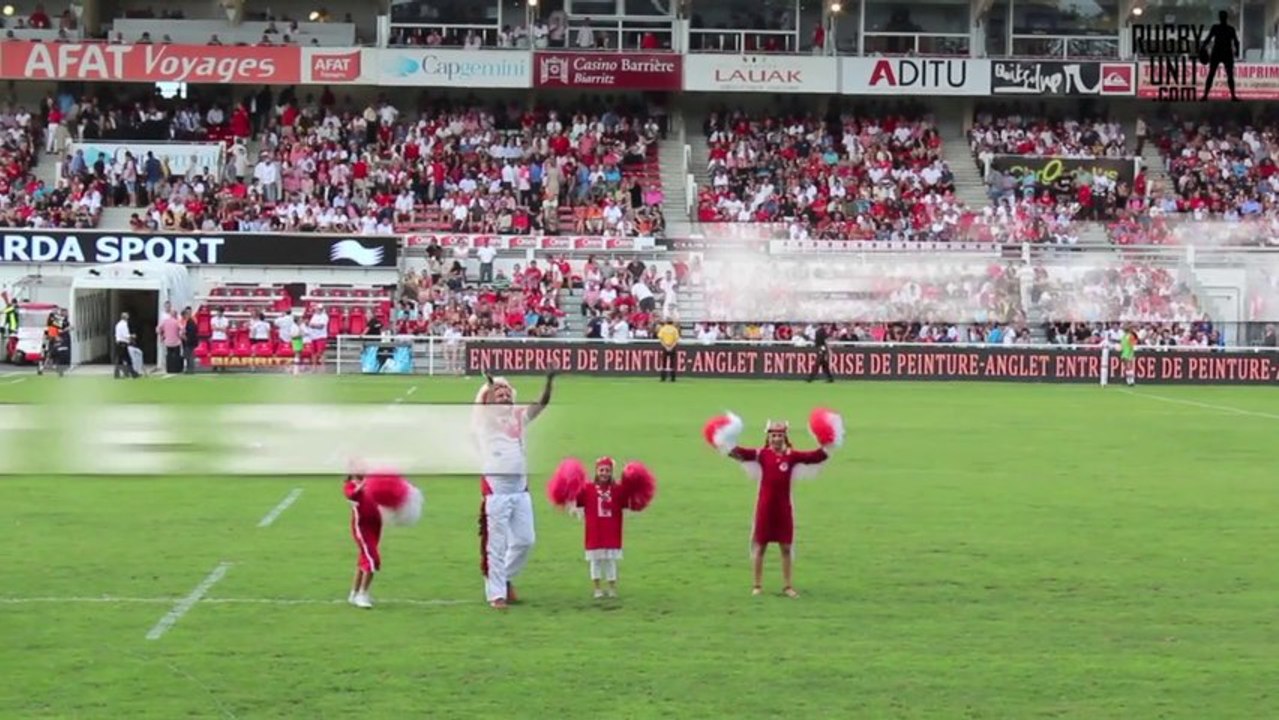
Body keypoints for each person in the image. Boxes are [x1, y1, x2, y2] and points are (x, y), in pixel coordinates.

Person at [475, 366, 557, 610]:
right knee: (496, 544)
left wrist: (549, 381)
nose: (504, 394)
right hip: (496, 492)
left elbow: (541, 404)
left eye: (507, 391)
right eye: (499, 393)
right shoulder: (485, 420)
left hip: (520, 490)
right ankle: (496, 594)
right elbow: (485, 405)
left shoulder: (519, 415)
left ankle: (502, 577)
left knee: (525, 541)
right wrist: (491, 385)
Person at [726, 420, 830, 598]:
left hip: (783, 508)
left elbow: (814, 457)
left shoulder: (792, 456)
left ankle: (787, 586)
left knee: (786, 548)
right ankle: (757, 585)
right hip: (765, 507)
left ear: (785, 437)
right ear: (768, 437)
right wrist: (723, 439)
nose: (776, 439)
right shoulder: (762, 455)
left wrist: (828, 441)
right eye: (773, 435)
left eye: (780, 435)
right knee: (760, 547)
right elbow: (738, 453)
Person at [344, 470, 382, 609]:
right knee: (373, 560)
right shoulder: (349, 485)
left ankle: (353, 594)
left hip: (375, 527)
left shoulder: (370, 483)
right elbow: (352, 495)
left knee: (364, 560)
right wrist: (364, 484)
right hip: (362, 528)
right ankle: (362, 594)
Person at [1201, 10, 1240, 102]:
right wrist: (1237, 51)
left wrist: (1202, 47)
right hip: (1224, 53)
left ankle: (1206, 95)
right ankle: (1233, 96)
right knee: (1227, 75)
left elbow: (1208, 39)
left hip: (1219, 52)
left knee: (1213, 74)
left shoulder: (1217, 28)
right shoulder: (1230, 29)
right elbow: (1236, 42)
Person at [114, 312, 138, 379]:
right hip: (123, 344)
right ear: (126, 318)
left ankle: (117, 374)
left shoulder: (118, 324)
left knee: (120, 360)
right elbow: (125, 335)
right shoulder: (124, 325)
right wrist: (132, 336)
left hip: (119, 343)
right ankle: (133, 373)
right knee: (128, 359)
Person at [657, 318, 679, 382]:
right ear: (672, 322)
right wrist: (671, 347)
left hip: (665, 347)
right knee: (672, 363)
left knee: (664, 363)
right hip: (672, 347)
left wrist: (666, 346)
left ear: (666, 322)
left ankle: (663, 378)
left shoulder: (663, 329)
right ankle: (673, 378)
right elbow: (676, 340)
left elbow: (661, 339)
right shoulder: (674, 329)